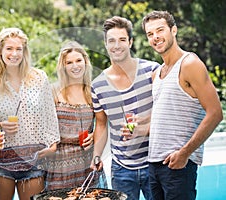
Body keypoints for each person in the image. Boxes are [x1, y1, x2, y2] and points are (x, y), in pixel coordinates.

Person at [141, 10, 223, 200]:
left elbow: (215, 113)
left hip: (178, 166)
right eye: (150, 34)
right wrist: (139, 126)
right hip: (154, 164)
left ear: (174, 30)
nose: (155, 37)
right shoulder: (158, 73)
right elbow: (167, 116)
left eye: (160, 30)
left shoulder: (190, 63)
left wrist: (185, 153)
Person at [0, 27, 60, 200]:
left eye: (19, 49)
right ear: (0, 51)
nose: (14, 54)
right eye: (9, 49)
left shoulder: (39, 78)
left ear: (24, 51)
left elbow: (50, 115)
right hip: (0, 163)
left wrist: (53, 145)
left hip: (33, 162)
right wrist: (0, 126)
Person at [90, 16, 159, 200]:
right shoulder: (98, 85)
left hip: (155, 163)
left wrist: (143, 127)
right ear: (105, 44)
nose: (117, 45)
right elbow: (102, 125)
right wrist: (97, 155)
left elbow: (164, 113)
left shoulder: (152, 71)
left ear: (130, 42)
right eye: (111, 41)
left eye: (122, 40)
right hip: (121, 169)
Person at [44, 41, 107, 191]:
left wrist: (93, 136)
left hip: (87, 161)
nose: (75, 66)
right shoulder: (53, 91)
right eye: (69, 62)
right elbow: (42, 127)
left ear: (85, 62)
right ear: (63, 66)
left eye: (78, 60)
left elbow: (102, 124)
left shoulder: (93, 92)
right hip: (59, 163)